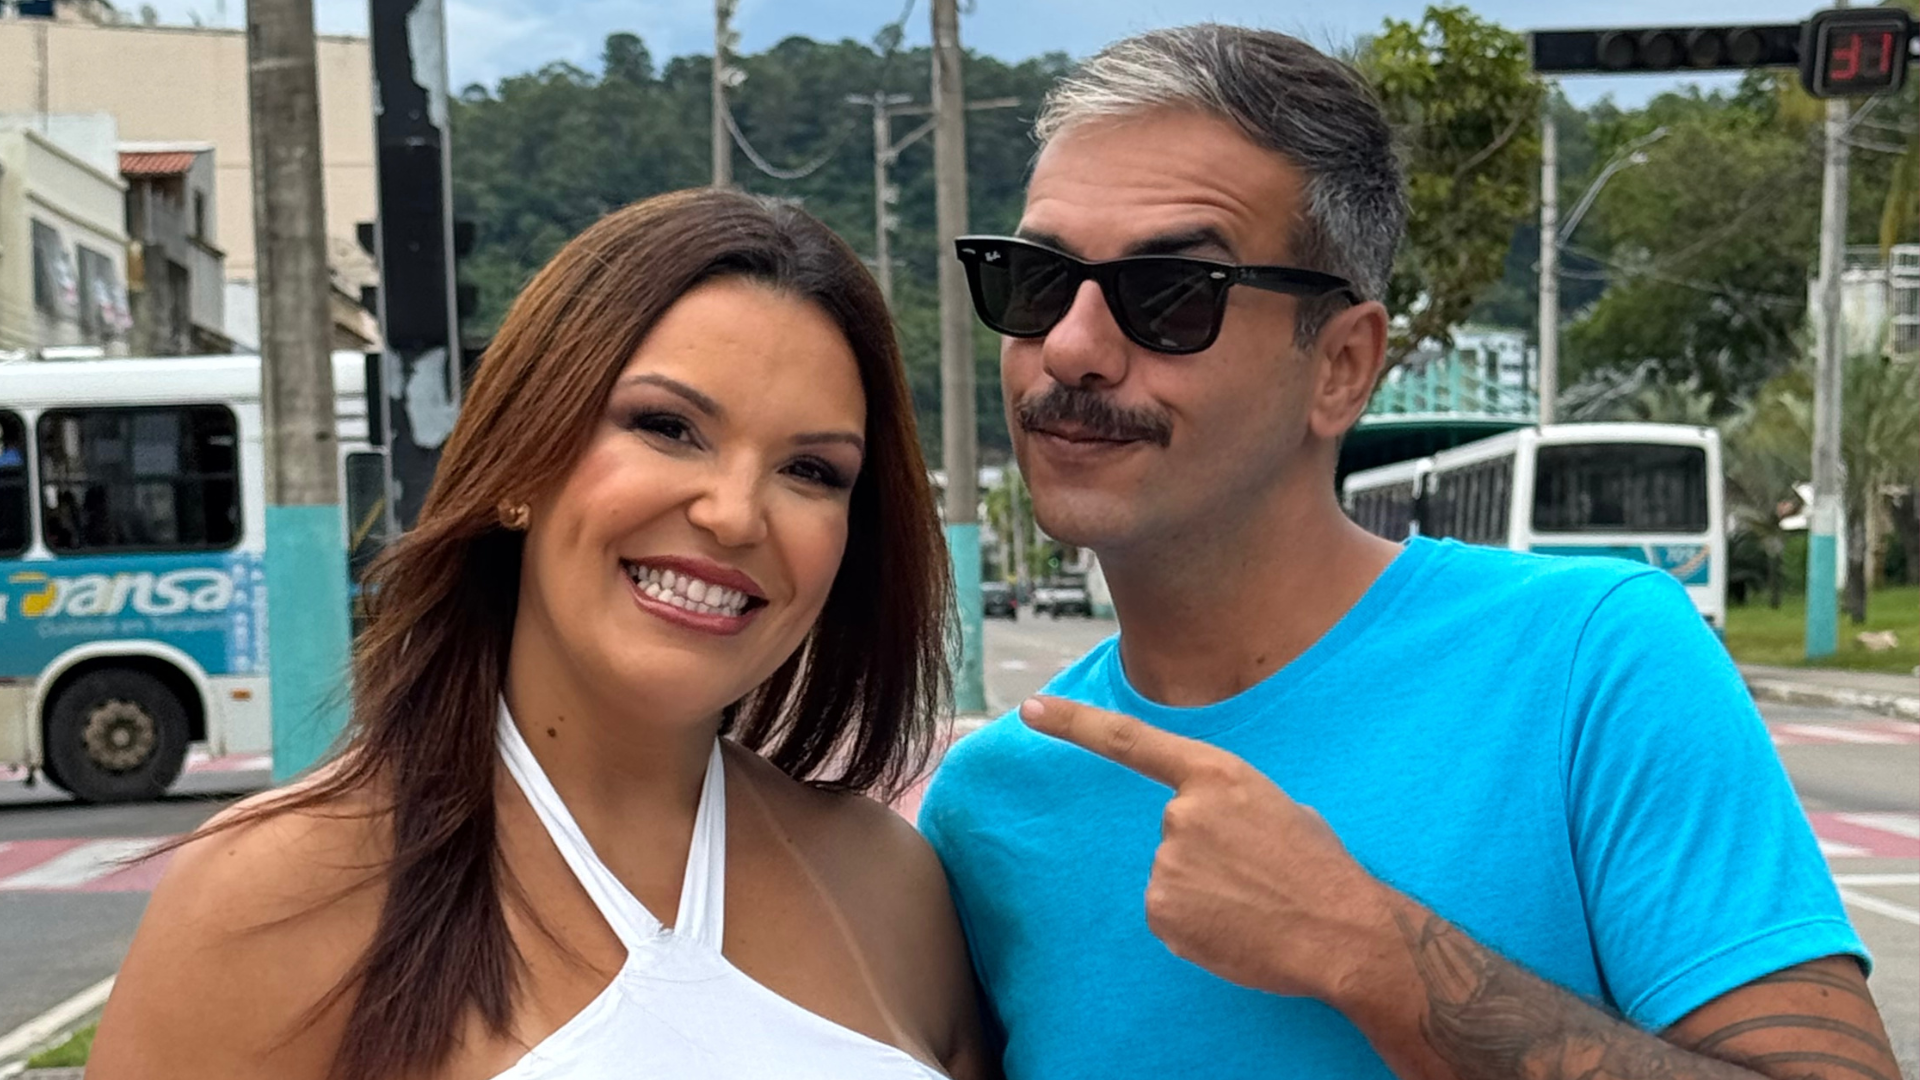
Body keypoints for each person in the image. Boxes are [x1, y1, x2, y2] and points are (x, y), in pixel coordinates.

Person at [920, 24, 1899, 1080]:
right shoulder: (988, 810)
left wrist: (1375, 955)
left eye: (1170, 296)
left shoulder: (1592, 661)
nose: (1070, 347)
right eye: (1035, 283)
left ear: (1342, 366)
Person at [88, 189, 992, 1080]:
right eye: (668, 427)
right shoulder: (267, 902)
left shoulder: (894, 890)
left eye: (812, 470)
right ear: (522, 459)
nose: (734, 513)